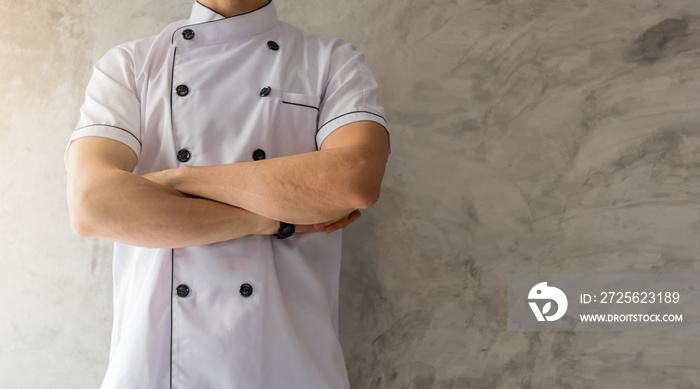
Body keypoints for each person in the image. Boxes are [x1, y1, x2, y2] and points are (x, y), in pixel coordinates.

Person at [64, 0, 390, 387]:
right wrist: (273, 220)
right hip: (153, 366)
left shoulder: (332, 61)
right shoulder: (130, 66)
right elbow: (92, 205)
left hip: (288, 365)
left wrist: (181, 179)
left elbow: (353, 180)